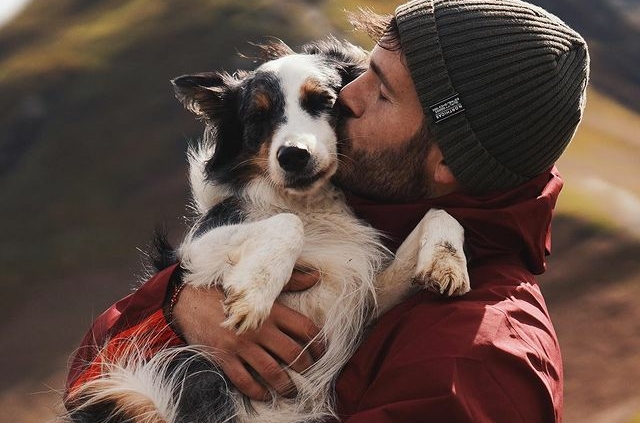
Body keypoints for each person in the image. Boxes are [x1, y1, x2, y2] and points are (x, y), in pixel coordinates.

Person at [65, 0, 589, 421]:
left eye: (381, 92)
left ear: (448, 158)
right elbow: (86, 384)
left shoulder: (480, 355)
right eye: (365, 70)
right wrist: (179, 308)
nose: (347, 97)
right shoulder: (358, 211)